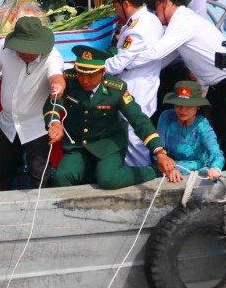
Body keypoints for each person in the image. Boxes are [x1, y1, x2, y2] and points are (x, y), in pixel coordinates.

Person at [126, 0, 226, 163]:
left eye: (157, 9)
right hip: (219, 85)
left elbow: (156, 53)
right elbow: (165, 58)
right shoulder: (184, 22)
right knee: (219, 137)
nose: (158, 17)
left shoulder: (182, 22)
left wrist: (125, 63)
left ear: (166, 3)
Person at [45, 46, 176, 189]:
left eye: (91, 75)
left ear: (103, 72)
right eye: (81, 74)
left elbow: (139, 120)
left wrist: (159, 152)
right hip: (78, 144)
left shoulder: (116, 89)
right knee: (62, 177)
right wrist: (55, 122)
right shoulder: (70, 80)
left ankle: (152, 171)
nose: (85, 80)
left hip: (108, 144)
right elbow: (52, 104)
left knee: (108, 180)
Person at [0, 16, 63, 191]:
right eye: (20, 49)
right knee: (1, 171)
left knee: (40, 175)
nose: (23, 53)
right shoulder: (2, 48)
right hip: (7, 122)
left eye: (28, 50)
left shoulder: (53, 55)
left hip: (36, 125)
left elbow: (56, 76)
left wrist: (57, 86)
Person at [100, 0, 164, 165]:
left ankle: (142, 181)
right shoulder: (147, 19)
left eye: (115, 5)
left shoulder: (137, 27)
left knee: (135, 143)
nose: (114, 10)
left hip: (136, 91)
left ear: (126, 3)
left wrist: (94, 67)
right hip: (141, 85)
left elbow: (118, 63)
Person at [156, 81, 225, 182]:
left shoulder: (202, 125)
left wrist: (215, 168)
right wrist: (169, 170)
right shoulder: (166, 117)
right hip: (166, 168)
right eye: (178, 104)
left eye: (189, 105)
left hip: (198, 169)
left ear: (198, 106)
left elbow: (216, 153)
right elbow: (157, 148)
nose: (182, 109)